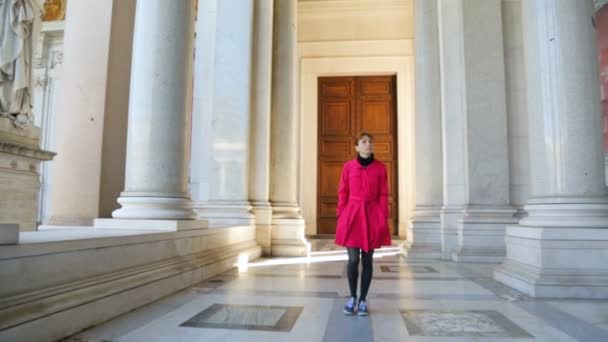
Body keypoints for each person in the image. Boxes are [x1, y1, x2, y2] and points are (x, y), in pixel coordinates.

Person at [335, 132, 391, 316]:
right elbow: (343, 192)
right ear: (357, 147)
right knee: (352, 260)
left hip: (372, 214)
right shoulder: (348, 167)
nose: (368, 144)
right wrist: (342, 214)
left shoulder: (381, 168)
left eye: (370, 142)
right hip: (352, 214)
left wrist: (383, 215)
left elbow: (383, 193)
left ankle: (363, 300)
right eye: (364, 142)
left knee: (367, 260)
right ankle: (352, 297)